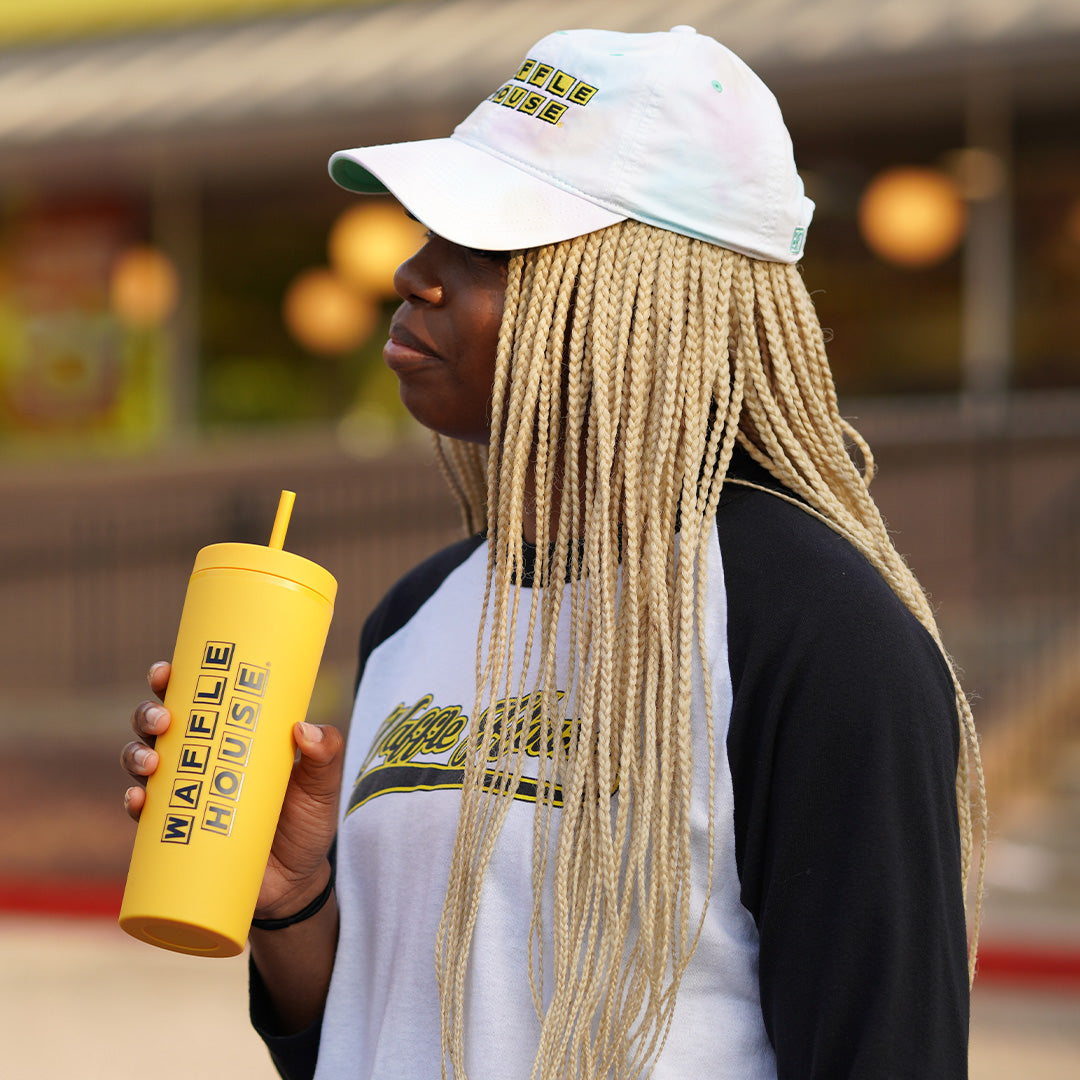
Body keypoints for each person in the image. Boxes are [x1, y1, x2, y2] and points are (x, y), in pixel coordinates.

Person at [123, 26, 986, 1080]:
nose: (413, 272)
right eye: (427, 232)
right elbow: (362, 1039)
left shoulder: (813, 630)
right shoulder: (419, 611)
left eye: (487, 245)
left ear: (648, 299)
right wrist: (290, 897)